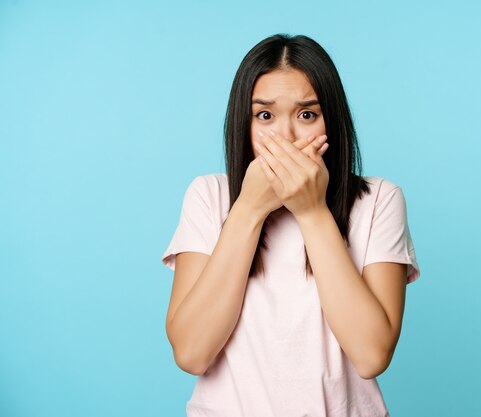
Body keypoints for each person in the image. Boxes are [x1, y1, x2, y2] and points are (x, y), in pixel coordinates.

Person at [161, 33, 421, 417]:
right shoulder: (208, 197)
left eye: (306, 115)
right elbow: (191, 353)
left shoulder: (379, 200)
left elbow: (371, 355)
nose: (284, 137)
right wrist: (249, 209)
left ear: (331, 122)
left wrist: (312, 211)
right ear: (243, 125)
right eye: (265, 116)